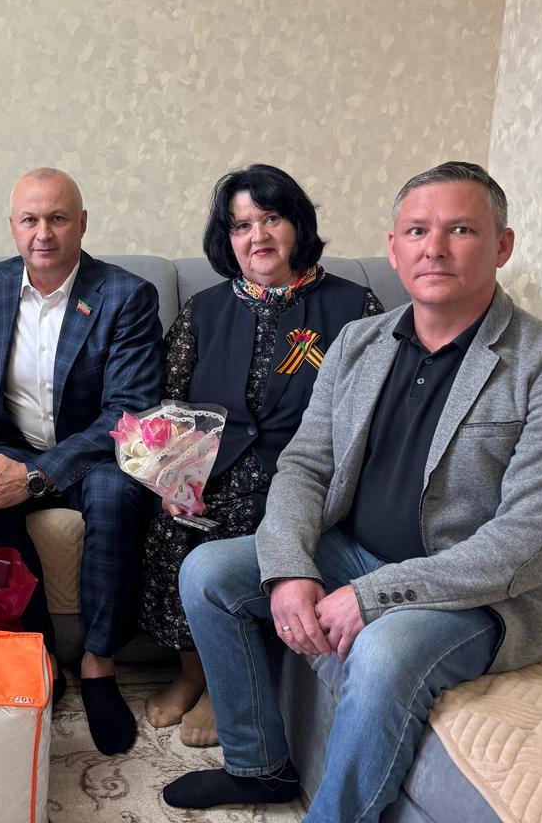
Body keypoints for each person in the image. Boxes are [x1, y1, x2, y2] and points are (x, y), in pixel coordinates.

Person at [164, 162, 542, 818]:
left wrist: (373, 597)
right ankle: (259, 768)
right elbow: (305, 465)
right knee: (207, 572)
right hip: (354, 548)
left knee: (384, 650)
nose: (435, 248)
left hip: (475, 589)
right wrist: (289, 567)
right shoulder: (359, 342)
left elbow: (533, 540)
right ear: (394, 248)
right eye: (417, 231)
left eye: (461, 230)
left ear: (502, 246)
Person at [140, 165, 383, 746]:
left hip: (303, 480)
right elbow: (169, 404)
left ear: (297, 224)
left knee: (256, 525)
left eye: (271, 219)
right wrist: (175, 482)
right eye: (242, 225)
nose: (258, 236)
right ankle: (192, 673)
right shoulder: (203, 310)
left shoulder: (354, 308)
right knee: (171, 528)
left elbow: (375, 413)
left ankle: (228, 686)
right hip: (212, 475)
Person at [0, 167, 164, 755]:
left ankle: (99, 663)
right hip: (14, 439)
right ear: (13, 227)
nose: (43, 233)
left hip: (96, 448)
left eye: (58, 218)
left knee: (116, 495)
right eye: (30, 220)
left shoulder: (126, 295)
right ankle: (38, 649)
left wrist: (36, 476)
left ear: (82, 224)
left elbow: (127, 411)